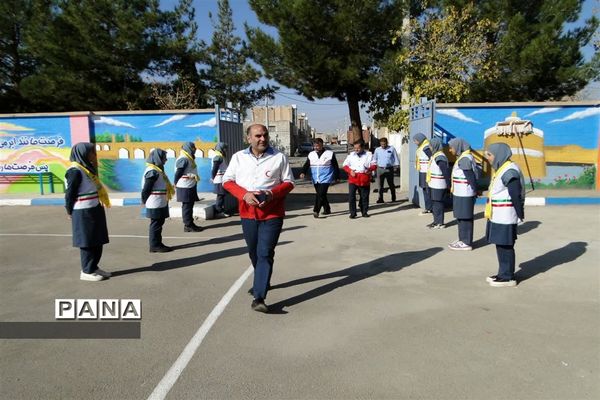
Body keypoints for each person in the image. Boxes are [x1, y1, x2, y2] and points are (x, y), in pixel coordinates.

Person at [223, 124, 295, 313]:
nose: (262, 139)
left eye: (265, 135)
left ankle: (259, 297)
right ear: (249, 138)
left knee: (265, 252)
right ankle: (262, 279)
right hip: (247, 213)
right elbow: (227, 181)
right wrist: (244, 194)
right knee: (254, 252)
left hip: (272, 214)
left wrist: (271, 194)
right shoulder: (238, 157)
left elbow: (289, 182)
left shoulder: (279, 157)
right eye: (257, 136)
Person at [64, 142, 111, 281]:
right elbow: (70, 193)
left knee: (98, 239)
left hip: (94, 208)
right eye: (92, 152)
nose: (94, 155)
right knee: (87, 241)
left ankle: (94, 267)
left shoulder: (86, 168)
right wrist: (69, 210)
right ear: (83, 153)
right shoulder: (74, 171)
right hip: (83, 211)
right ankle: (86, 271)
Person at [484, 143, 525, 287]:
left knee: (505, 245)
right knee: (500, 244)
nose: (487, 158)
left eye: (489, 155)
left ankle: (508, 277)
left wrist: (520, 214)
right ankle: (503, 273)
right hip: (498, 214)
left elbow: (515, 193)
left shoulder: (509, 171)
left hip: (505, 215)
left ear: (499, 154)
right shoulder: (502, 169)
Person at [142, 149, 174, 253]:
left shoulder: (157, 170)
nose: (166, 159)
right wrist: (144, 201)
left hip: (159, 201)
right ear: (158, 158)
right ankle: (154, 245)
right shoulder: (152, 171)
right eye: (164, 157)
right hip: (155, 202)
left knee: (159, 223)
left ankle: (158, 243)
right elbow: (146, 188)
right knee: (156, 224)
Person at [448, 138, 478, 251]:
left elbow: (470, 176)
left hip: (464, 193)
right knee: (461, 216)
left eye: (451, 148)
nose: (450, 150)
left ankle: (466, 242)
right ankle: (462, 239)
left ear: (458, 147)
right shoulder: (463, 157)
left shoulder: (465, 159)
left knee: (465, 217)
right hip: (460, 193)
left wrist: (475, 190)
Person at [300, 138, 340, 218]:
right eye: (314, 146)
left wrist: (337, 177)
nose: (316, 148)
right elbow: (307, 164)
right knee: (322, 195)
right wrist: (303, 172)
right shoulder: (311, 154)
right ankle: (327, 209)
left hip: (326, 177)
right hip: (315, 178)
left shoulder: (329, 154)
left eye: (317, 146)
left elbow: (335, 166)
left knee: (320, 194)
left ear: (322, 145)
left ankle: (316, 210)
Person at [343, 140, 376, 219]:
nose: (356, 150)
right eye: (355, 148)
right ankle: (353, 213)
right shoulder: (351, 155)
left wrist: (370, 169)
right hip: (353, 178)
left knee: (364, 197)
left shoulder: (369, 155)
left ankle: (364, 211)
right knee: (351, 197)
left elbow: (374, 165)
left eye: (358, 148)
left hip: (364, 177)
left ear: (362, 147)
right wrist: (350, 171)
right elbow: (345, 165)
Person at [174, 142, 203, 232]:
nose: (195, 149)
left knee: (190, 205)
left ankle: (190, 223)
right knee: (187, 206)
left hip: (189, 185)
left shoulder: (188, 157)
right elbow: (179, 172)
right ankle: (188, 225)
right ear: (188, 148)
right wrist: (175, 183)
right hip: (185, 186)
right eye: (193, 147)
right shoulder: (184, 158)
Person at [426, 137, 451, 229]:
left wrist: (449, 185)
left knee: (438, 203)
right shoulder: (435, 155)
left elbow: (445, 171)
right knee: (435, 203)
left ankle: (440, 222)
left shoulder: (440, 157)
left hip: (439, 184)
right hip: (434, 183)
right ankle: (436, 221)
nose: (430, 147)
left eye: (430, 145)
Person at [373, 137, 400, 203]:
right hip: (380, 169)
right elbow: (374, 159)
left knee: (391, 184)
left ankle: (393, 198)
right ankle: (380, 198)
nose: (383, 146)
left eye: (384, 144)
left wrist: (397, 166)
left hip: (389, 169)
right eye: (382, 144)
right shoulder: (377, 150)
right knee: (380, 185)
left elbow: (396, 158)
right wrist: (373, 169)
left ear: (387, 143)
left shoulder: (392, 149)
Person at [413, 133, 432, 215]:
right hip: (422, 170)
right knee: (424, 189)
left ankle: (430, 208)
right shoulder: (421, 147)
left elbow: (432, 158)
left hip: (427, 171)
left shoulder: (426, 147)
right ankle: (428, 207)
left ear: (420, 139)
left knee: (428, 190)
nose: (415, 142)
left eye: (416, 140)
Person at [211, 142, 230, 217]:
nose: (225, 150)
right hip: (219, 179)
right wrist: (213, 177)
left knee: (221, 195)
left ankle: (220, 210)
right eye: (224, 148)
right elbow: (214, 168)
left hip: (221, 178)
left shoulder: (219, 155)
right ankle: (218, 212)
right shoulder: (218, 156)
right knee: (220, 196)